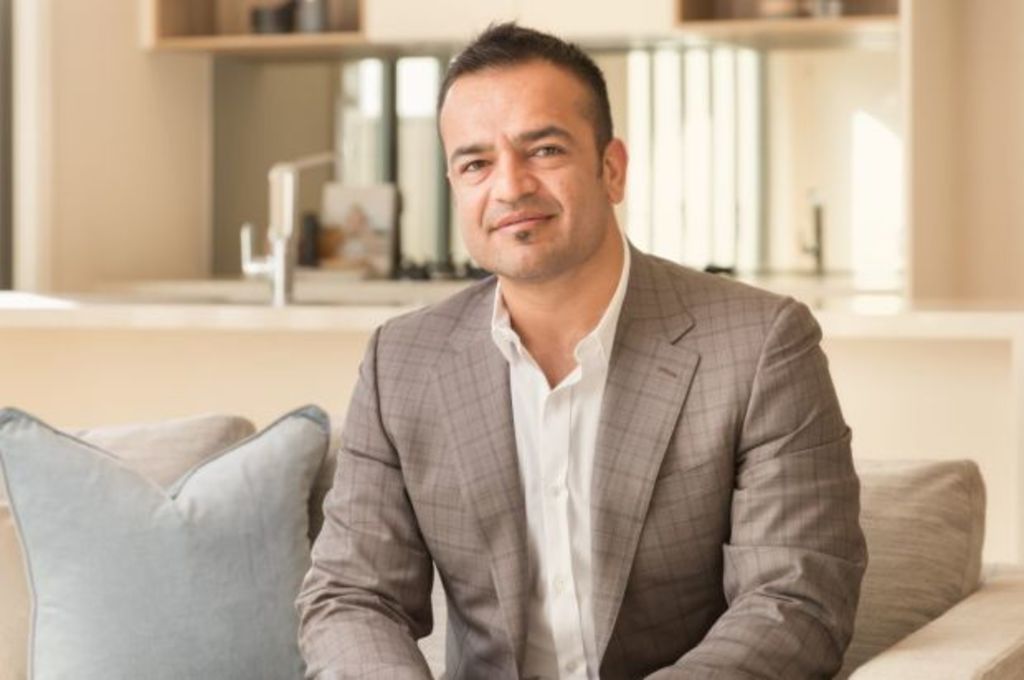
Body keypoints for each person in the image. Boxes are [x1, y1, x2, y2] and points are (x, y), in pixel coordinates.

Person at [296, 23, 867, 679]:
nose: (509, 188)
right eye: (476, 163)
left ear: (612, 168)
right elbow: (350, 596)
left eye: (542, 150)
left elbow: (795, 601)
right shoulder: (401, 361)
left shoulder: (761, 344)